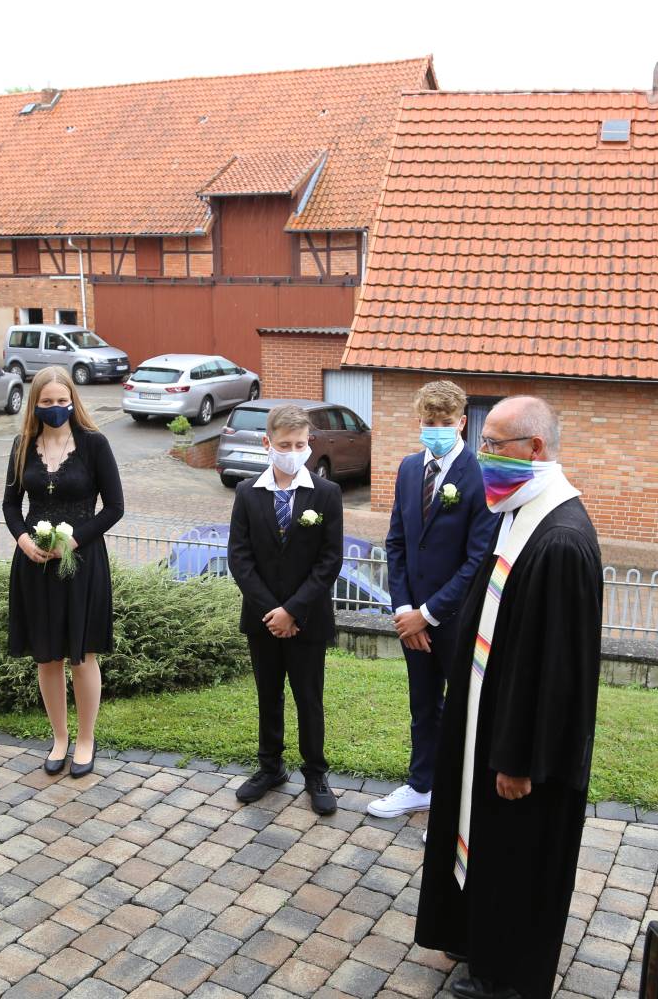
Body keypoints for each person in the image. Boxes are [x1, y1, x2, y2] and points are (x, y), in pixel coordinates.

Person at [415, 396, 604, 999]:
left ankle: (506, 978)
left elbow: (558, 675)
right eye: (483, 443)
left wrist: (520, 758)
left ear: (536, 449)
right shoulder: (520, 514)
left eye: (495, 445)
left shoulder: (562, 541)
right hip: (484, 718)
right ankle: (476, 938)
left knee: (518, 856)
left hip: (520, 746)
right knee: (486, 845)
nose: (483, 457)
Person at [370, 381, 500, 821]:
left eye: (445, 423)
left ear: (462, 423)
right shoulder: (408, 468)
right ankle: (420, 785)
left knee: (462, 713)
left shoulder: (480, 475)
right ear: (419, 423)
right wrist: (405, 610)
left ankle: (455, 806)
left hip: (455, 620)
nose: (437, 430)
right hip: (412, 619)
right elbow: (397, 543)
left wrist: (427, 615)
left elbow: (477, 559)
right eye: (429, 423)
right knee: (422, 706)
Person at [4, 365, 124, 777]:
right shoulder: (22, 445)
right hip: (34, 567)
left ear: (72, 400)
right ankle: (59, 738)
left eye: (62, 401)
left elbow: (114, 507)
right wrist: (23, 539)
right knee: (47, 658)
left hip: (83, 563)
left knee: (82, 656)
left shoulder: (94, 444)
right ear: (35, 405)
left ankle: (86, 740)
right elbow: (10, 505)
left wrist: (74, 540)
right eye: (47, 402)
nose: (56, 408)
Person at [226, 403, 344, 816]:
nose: (293, 451)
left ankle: (316, 772)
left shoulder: (326, 494)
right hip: (263, 621)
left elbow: (330, 561)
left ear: (308, 443)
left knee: (309, 697)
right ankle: (270, 766)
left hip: (308, 620)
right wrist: (272, 611)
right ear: (267, 444)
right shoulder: (247, 493)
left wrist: (293, 610)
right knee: (268, 694)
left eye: (300, 444)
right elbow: (240, 559)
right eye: (284, 444)